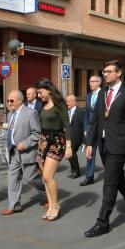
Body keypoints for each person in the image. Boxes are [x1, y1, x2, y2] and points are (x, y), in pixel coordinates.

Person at [84, 60, 125, 237]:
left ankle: (102, 222)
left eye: (109, 71)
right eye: (104, 72)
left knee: (109, 181)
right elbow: (96, 121)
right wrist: (89, 143)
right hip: (103, 144)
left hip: (120, 145)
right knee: (118, 178)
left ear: (119, 73)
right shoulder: (101, 93)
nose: (105, 74)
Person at [2, 90, 46, 215]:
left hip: (27, 153)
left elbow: (37, 133)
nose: (9, 103)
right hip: (13, 152)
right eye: (8, 101)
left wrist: (25, 143)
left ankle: (49, 194)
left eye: (12, 101)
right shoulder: (10, 115)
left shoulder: (31, 113)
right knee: (12, 179)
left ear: (20, 101)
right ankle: (14, 206)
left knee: (32, 179)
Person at [36, 78, 72, 221]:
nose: (39, 96)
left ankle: (56, 206)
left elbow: (67, 125)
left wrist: (68, 147)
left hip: (57, 141)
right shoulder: (41, 105)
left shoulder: (59, 104)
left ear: (48, 90)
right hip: (43, 141)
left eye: (40, 92)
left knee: (47, 176)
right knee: (44, 177)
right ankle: (50, 205)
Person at [81, 75, 101, 186]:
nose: (91, 83)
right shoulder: (88, 96)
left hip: (102, 128)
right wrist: (85, 128)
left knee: (106, 154)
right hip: (90, 129)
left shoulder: (104, 94)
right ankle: (89, 177)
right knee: (90, 153)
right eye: (90, 81)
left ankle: (112, 175)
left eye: (93, 81)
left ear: (99, 83)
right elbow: (87, 113)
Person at [66, 94, 85, 179]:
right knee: (70, 154)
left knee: (71, 152)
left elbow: (84, 126)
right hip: (68, 137)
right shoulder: (66, 112)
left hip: (77, 136)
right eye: (66, 101)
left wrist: (85, 140)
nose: (67, 103)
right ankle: (75, 169)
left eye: (68, 101)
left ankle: (76, 171)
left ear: (74, 102)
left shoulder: (80, 112)